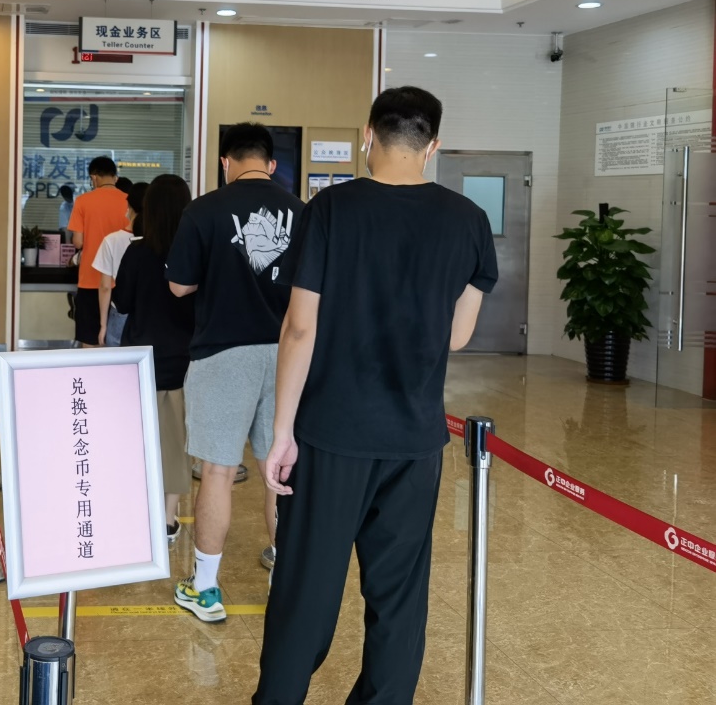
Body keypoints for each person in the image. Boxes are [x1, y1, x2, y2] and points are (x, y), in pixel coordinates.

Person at [253, 87, 497, 703]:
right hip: (415, 439)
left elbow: (300, 327)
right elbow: (458, 336)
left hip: (331, 434)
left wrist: (281, 433)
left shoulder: (331, 209)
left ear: (368, 134)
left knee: (306, 590)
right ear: (432, 146)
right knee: (399, 598)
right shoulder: (469, 220)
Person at [166, 123, 303, 622]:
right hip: (287, 354)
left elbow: (179, 286)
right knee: (278, 474)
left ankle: (205, 589)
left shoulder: (203, 210)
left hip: (223, 353)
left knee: (219, 472)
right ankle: (285, 582)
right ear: (271, 164)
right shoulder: (302, 213)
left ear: (225, 162)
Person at [113, 174, 194, 540]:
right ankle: (167, 517)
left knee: (136, 437)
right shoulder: (196, 251)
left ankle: (136, 510)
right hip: (183, 360)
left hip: (139, 360)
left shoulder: (136, 251)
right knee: (176, 440)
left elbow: (122, 303)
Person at [67, 156, 129, 348]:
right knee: (120, 341)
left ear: (94, 177)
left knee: (91, 340)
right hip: (122, 279)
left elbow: (78, 242)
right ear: (114, 176)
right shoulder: (128, 201)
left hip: (91, 279)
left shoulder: (83, 201)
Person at [94, 181, 147, 347]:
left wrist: (103, 325)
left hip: (120, 312)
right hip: (148, 311)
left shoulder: (111, 240)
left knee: (119, 360)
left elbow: (105, 287)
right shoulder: (158, 241)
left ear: (129, 207)